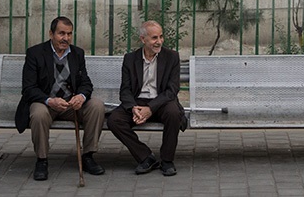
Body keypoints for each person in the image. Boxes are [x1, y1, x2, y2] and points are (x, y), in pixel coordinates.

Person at [14, 15, 106, 181]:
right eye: (61, 34)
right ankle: (42, 160)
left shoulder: (77, 53)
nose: (66, 38)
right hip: (46, 103)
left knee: (97, 106)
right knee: (38, 114)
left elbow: (86, 83)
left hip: (70, 105)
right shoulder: (35, 53)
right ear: (51, 34)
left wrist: (81, 96)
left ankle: (88, 156)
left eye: (69, 34)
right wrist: (50, 100)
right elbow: (28, 89)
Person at [106, 20, 186, 177]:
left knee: (174, 113)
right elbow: (125, 90)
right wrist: (133, 108)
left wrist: (151, 109)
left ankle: (167, 160)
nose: (159, 41)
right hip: (138, 102)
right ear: (143, 39)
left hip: (162, 101)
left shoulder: (172, 57)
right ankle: (145, 157)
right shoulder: (130, 59)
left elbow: (172, 90)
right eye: (154, 38)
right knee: (114, 120)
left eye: (161, 37)